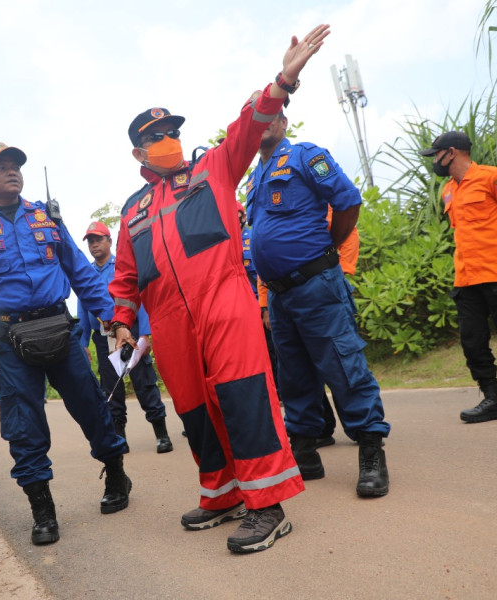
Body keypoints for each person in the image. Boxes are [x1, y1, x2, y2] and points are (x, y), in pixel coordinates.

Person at [109, 26, 329, 554]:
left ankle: (268, 506)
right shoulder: (132, 210)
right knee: (192, 407)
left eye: (172, 131)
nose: (168, 140)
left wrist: (284, 80)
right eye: (157, 134)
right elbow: (124, 277)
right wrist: (121, 320)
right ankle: (222, 493)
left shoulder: (215, 167)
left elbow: (248, 126)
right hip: (167, 321)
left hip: (223, 299)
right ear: (139, 149)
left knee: (243, 395)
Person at [0, 143, 130, 547]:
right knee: (23, 426)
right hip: (10, 339)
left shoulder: (46, 216)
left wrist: (114, 319)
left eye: (16, 167)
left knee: (91, 405)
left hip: (59, 327)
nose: (12, 172)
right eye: (2, 168)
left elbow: (80, 269)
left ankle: (116, 473)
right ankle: (42, 510)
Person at [246, 108, 391, 499]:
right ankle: (307, 454)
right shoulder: (254, 178)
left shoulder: (306, 156)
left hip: (317, 284)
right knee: (293, 376)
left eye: (271, 116)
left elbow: (348, 202)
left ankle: (371, 452)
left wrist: (326, 247)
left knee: (344, 366)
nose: (265, 124)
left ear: (283, 124)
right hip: (279, 294)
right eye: (257, 118)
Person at [419, 131, 497, 421]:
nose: (434, 161)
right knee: (472, 342)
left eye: (436, 155)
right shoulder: (447, 190)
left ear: (452, 152)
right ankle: (493, 399)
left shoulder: (496, 178)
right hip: (466, 279)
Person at [255, 205, 360, 447]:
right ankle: (321, 429)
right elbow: (265, 261)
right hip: (283, 297)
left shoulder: (315, 200)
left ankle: (359, 428)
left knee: (338, 362)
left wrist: (337, 272)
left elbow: (348, 232)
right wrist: (265, 305)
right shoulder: (265, 207)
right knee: (301, 369)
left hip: (324, 288)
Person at [78, 221, 173, 454]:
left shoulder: (122, 266)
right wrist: (82, 343)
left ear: (109, 241)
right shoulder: (86, 273)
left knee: (144, 383)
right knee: (111, 390)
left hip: (130, 332)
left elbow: (138, 298)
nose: (94, 245)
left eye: (98, 239)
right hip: (103, 338)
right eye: (90, 241)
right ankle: (120, 438)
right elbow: (82, 309)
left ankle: (161, 434)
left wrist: (146, 333)